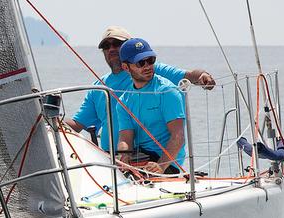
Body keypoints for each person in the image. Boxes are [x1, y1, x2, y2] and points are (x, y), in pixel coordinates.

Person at [65, 25, 214, 153]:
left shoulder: (149, 69)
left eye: (116, 44)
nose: (111, 49)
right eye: (106, 46)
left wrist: (203, 76)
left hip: (147, 157)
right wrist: (48, 121)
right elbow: (78, 124)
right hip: (108, 161)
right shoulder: (97, 87)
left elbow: (188, 75)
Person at [114, 37, 186, 175]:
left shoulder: (167, 91)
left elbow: (178, 136)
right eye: (140, 62)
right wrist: (123, 156)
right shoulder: (124, 100)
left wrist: (161, 166)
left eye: (150, 60)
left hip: (167, 162)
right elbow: (125, 138)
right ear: (125, 67)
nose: (147, 66)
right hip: (141, 158)